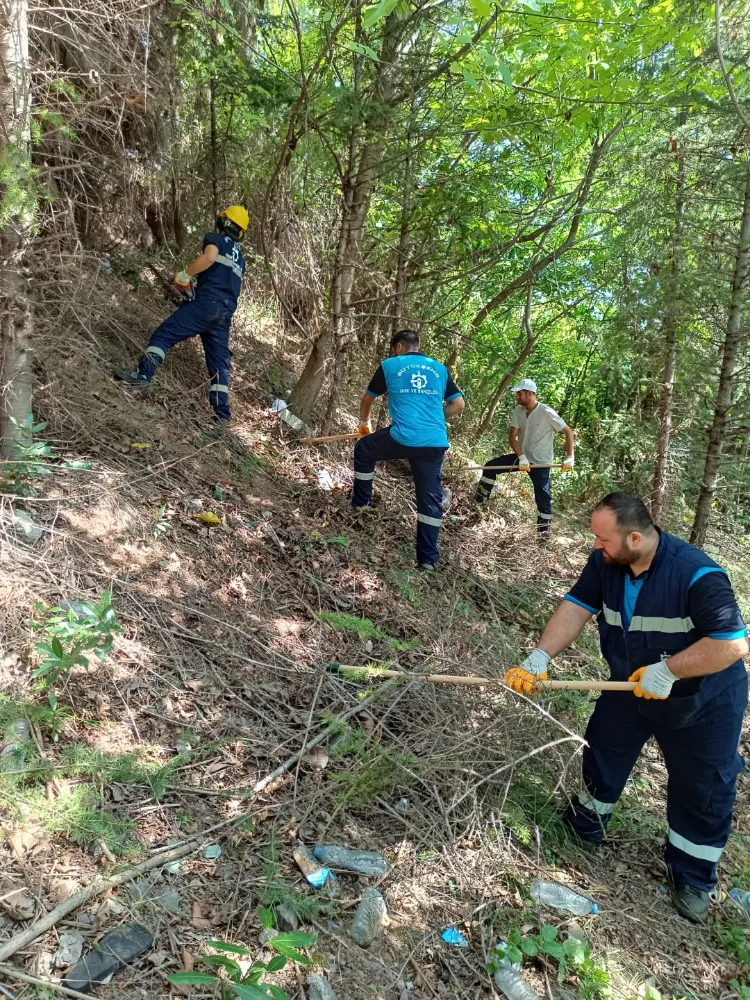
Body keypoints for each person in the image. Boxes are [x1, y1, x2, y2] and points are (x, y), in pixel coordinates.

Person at [505, 493, 748, 923]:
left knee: (703, 783)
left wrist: (670, 671)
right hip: (630, 682)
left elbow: (731, 644)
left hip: (703, 699)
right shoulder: (607, 563)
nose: (596, 546)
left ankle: (693, 877)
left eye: (603, 539)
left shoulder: (696, 574)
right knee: (605, 747)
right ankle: (586, 825)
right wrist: (540, 655)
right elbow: (577, 606)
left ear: (634, 537)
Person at [113, 205, 249, 424]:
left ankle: (143, 375)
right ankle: (222, 416)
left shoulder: (215, 238)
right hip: (224, 315)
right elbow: (223, 283)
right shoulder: (241, 259)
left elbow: (210, 258)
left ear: (223, 221)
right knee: (219, 365)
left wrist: (185, 275)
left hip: (207, 305)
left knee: (164, 334)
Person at [353, 330, 465, 570]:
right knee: (430, 499)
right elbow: (458, 404)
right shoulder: (439, 369)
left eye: (395, 349)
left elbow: (367, 399)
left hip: (403, 436)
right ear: (419, 346)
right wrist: (436, 419)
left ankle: (361, 506)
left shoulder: (391, 365)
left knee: (364, 449)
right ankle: (427, 561)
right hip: (434, 441)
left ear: (400, 347)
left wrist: (365, 424)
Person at [474, 378, 574, 539]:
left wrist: (570, 457)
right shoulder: (518, 411)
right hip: (521, 457)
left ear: (529, 394)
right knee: (490, 467)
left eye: (519, 393)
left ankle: (543, 538)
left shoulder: (547, 413)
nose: (517, 397)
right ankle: (478, 505)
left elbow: (568, 432)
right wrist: (521, 457)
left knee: (543, 499)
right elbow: (512, 437)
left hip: (541, 463)